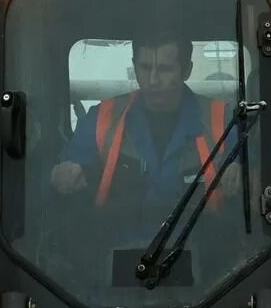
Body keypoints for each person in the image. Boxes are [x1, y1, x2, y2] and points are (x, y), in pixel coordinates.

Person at [52, 32, 235, 222]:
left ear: (187, 70)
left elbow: (254, 184)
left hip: (200, 243)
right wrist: (62, 178)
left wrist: (239, 175)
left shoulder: (223, 121)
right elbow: (57, 182)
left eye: (165, 69)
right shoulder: (100, 121)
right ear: (134, 66)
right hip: (116, 246)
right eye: (145, 68)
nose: (153, 80)